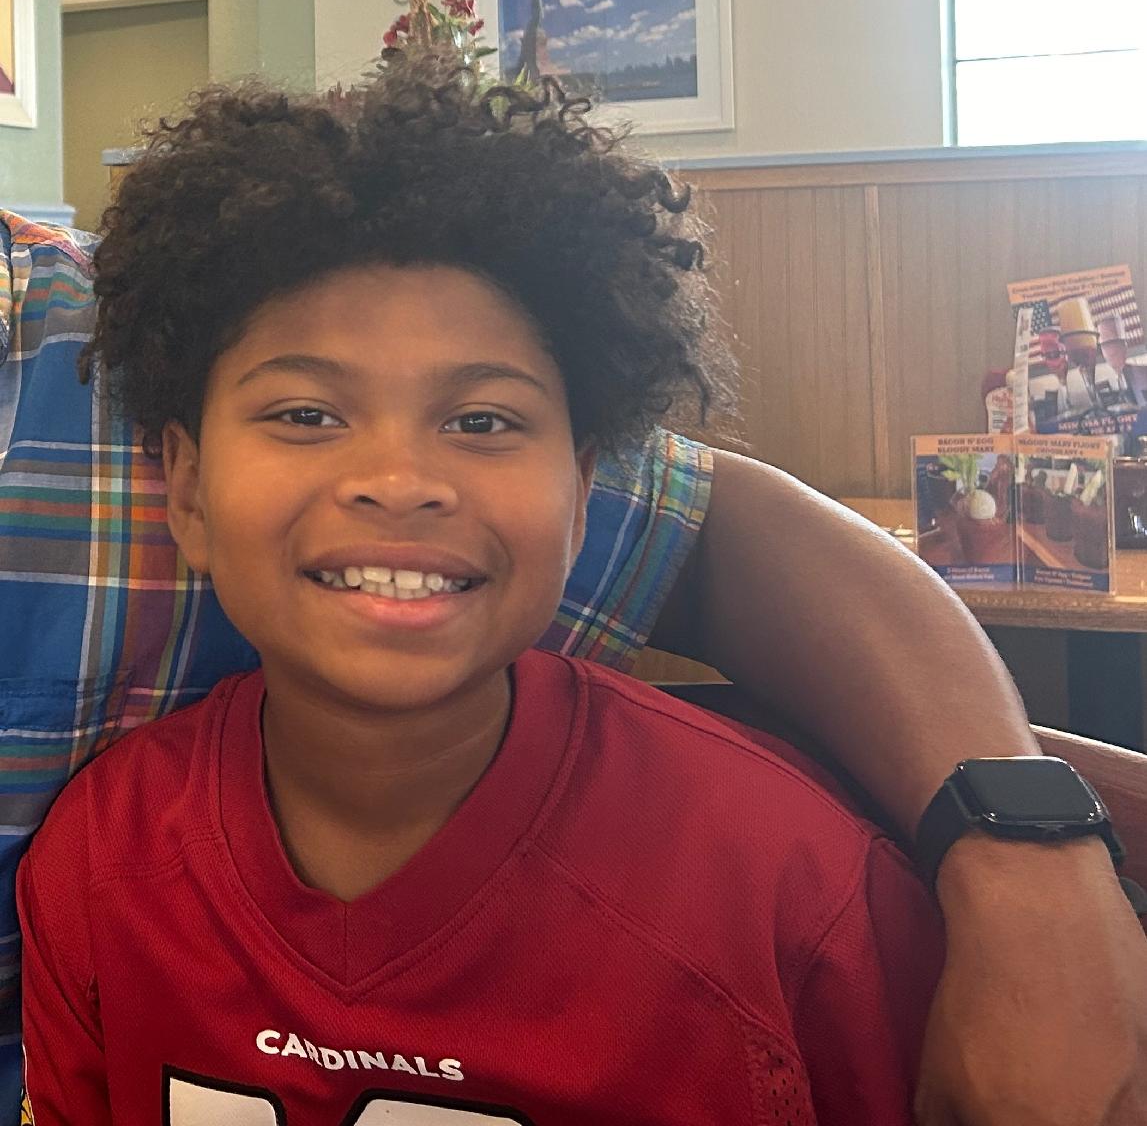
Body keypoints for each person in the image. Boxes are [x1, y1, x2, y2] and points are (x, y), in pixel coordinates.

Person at [3, 165, 1147, 1124]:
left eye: (482, 421)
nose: (397, 479)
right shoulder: (103, 861)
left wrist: (1028, 854)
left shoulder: (787, 884)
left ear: (588, 488)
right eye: (306, 415)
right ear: (185, 485)